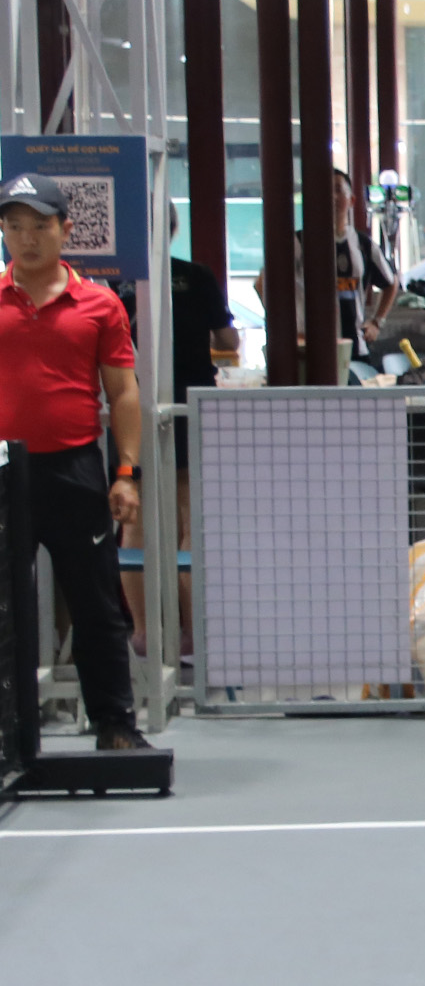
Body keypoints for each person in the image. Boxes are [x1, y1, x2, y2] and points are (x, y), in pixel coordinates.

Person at [0, 173, 150, 749]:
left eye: (39, 226)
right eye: (14, 226)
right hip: (4, 473)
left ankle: (115, 727)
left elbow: (124, 393)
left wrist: (126, 472)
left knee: (96, 604)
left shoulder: (100, 304)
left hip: (75, 469)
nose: (26, 238)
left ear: (65, 229)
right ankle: (8, 735)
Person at [117, 205, 240, 656]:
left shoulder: (114, 283)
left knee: (136, 520)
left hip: (131, 404)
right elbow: (228, 341)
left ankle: (145, 632)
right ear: (172, 229)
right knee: (189, 519)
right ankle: (191, 635)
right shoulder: (197, 276)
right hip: (189, 404)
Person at [286, 170, 397, 364]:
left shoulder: (363, 244)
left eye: (338, 190)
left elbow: (391, 282)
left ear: (351, 200)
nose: (332, 197)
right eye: (325, 191)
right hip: (310, 351)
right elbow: (264, 284)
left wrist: (377, 322)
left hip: (355, 348)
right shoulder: (300, 242)